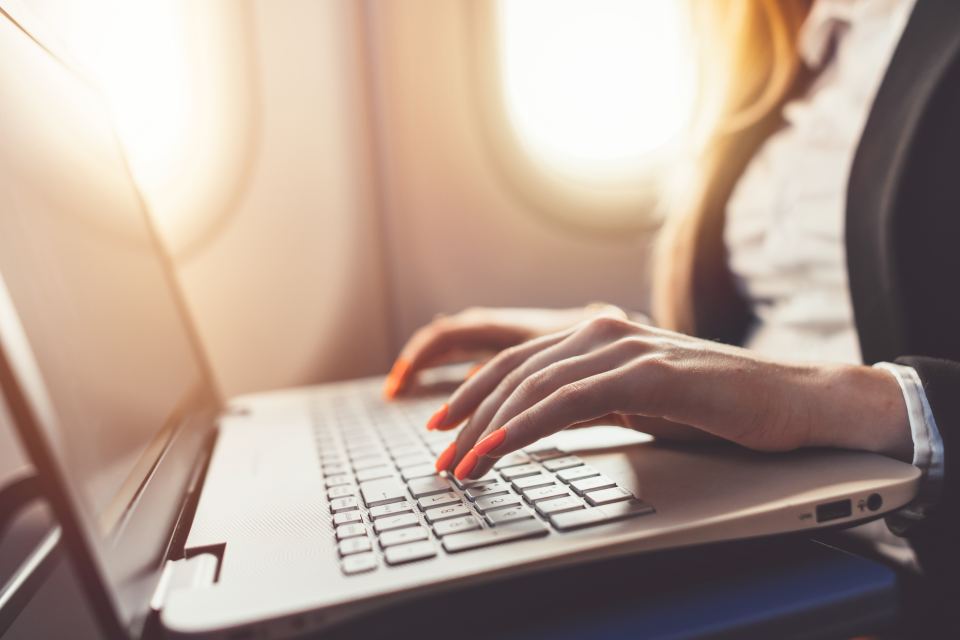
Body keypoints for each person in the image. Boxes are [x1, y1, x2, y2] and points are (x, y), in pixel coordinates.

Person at [386, 0, 958, 632]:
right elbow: (778, 321)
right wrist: (628, 349)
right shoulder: (788, 47)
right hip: (752, 502)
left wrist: (828, 400)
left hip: (910, 559)